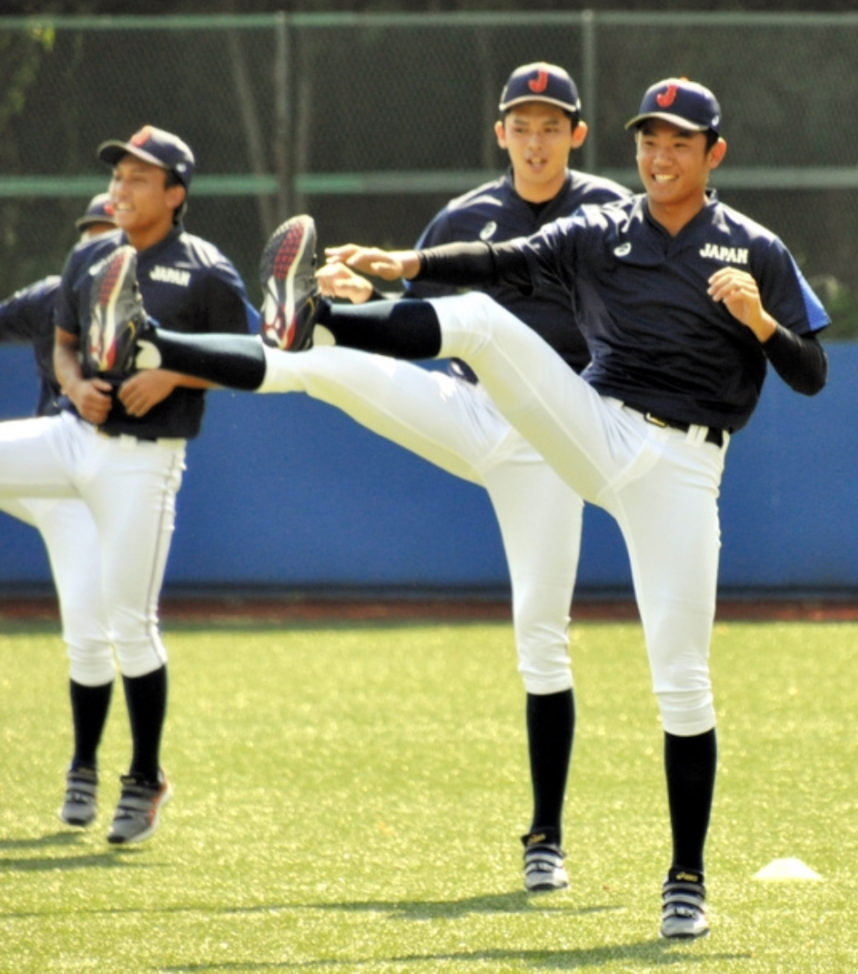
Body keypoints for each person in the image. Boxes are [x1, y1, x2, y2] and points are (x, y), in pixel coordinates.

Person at [102, 76, 830, 937]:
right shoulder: (605, 226)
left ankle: (685, 878)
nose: (660, 155)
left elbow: (810, 374)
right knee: (475, 321)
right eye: (650, 140)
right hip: (591, 424)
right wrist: (405, 265)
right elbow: (497, 265)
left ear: (714, 154)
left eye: (679, 142)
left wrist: (759, 324)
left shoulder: (753, 249)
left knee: (681, 681)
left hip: (682, 466)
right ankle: (313, 322)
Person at [109, 64, 628, 887]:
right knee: (318, 361)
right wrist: (352, 292)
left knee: (542, 637)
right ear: (500, 134)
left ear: (576, 134)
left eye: (550, 125)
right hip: (468, 410)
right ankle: (153, 344)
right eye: (521, 125)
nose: (535, 139)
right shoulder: (468, 216)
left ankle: (545, 839)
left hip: (552, 440)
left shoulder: (607, 212)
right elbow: (411, 305)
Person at [0, 126, 255, 844]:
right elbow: (65, 341)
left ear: (176, 195)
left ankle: (144, 777)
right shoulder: (90, 255)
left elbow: (247, 357)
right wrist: (75, 384)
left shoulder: (205, 269)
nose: (121, 189)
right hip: (72, 436)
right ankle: (99, 766)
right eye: (118, 177)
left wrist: (173, 374)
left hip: (142, 461)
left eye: (139, 180)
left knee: (128, 625)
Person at [0, 194, 118, 834]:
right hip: (43, 464)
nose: (95, 245)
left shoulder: (154, 297)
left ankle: (84, 771)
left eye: (108, 234)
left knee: (90, 636)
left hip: (88, 487)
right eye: (90, 234)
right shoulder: (52, 295)